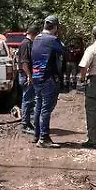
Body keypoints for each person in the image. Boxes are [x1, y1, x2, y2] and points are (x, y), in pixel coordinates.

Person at [30, 15, 66, 147]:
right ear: (55, 27)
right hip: (48, 77)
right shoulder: (52, 39)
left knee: (39, 105)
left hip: (36, 77)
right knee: (46, 108)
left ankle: (37, 134)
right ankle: (44, 138)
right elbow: (63, 51)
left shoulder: (37, 38)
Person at [16, 22, 42, 134]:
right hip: (26, 76)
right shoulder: (26, 44)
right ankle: (25, 124)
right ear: (35, 34)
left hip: (27, 75)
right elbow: (24, 62)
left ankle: (28, 123)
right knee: (27, 100)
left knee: (29, 100)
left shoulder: (27, 43)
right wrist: (29, 76)